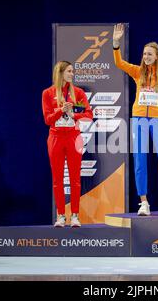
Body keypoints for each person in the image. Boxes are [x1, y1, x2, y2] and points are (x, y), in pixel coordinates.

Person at [112, 23, 158, 216]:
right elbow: (120, 63)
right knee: (140, 161)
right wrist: (116, 44)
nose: (146, 57)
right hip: (139, 121)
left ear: (156, 56)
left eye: (149, 54)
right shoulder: (138, 72)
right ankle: (144, 203)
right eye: (144, 54)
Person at [42, 61, 93, 227]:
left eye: (73, 71)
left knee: (75, 178)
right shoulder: (48, 93)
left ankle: (75, 215)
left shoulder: (77, 92)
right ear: (61, 73)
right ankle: (61, 215)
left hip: (73, 137)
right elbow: (47, 119)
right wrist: (60, 111)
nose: (72, 74)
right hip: (56, 138)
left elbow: (89, 115)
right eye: (69, 71)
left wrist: (73, 114)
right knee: (57, 179)